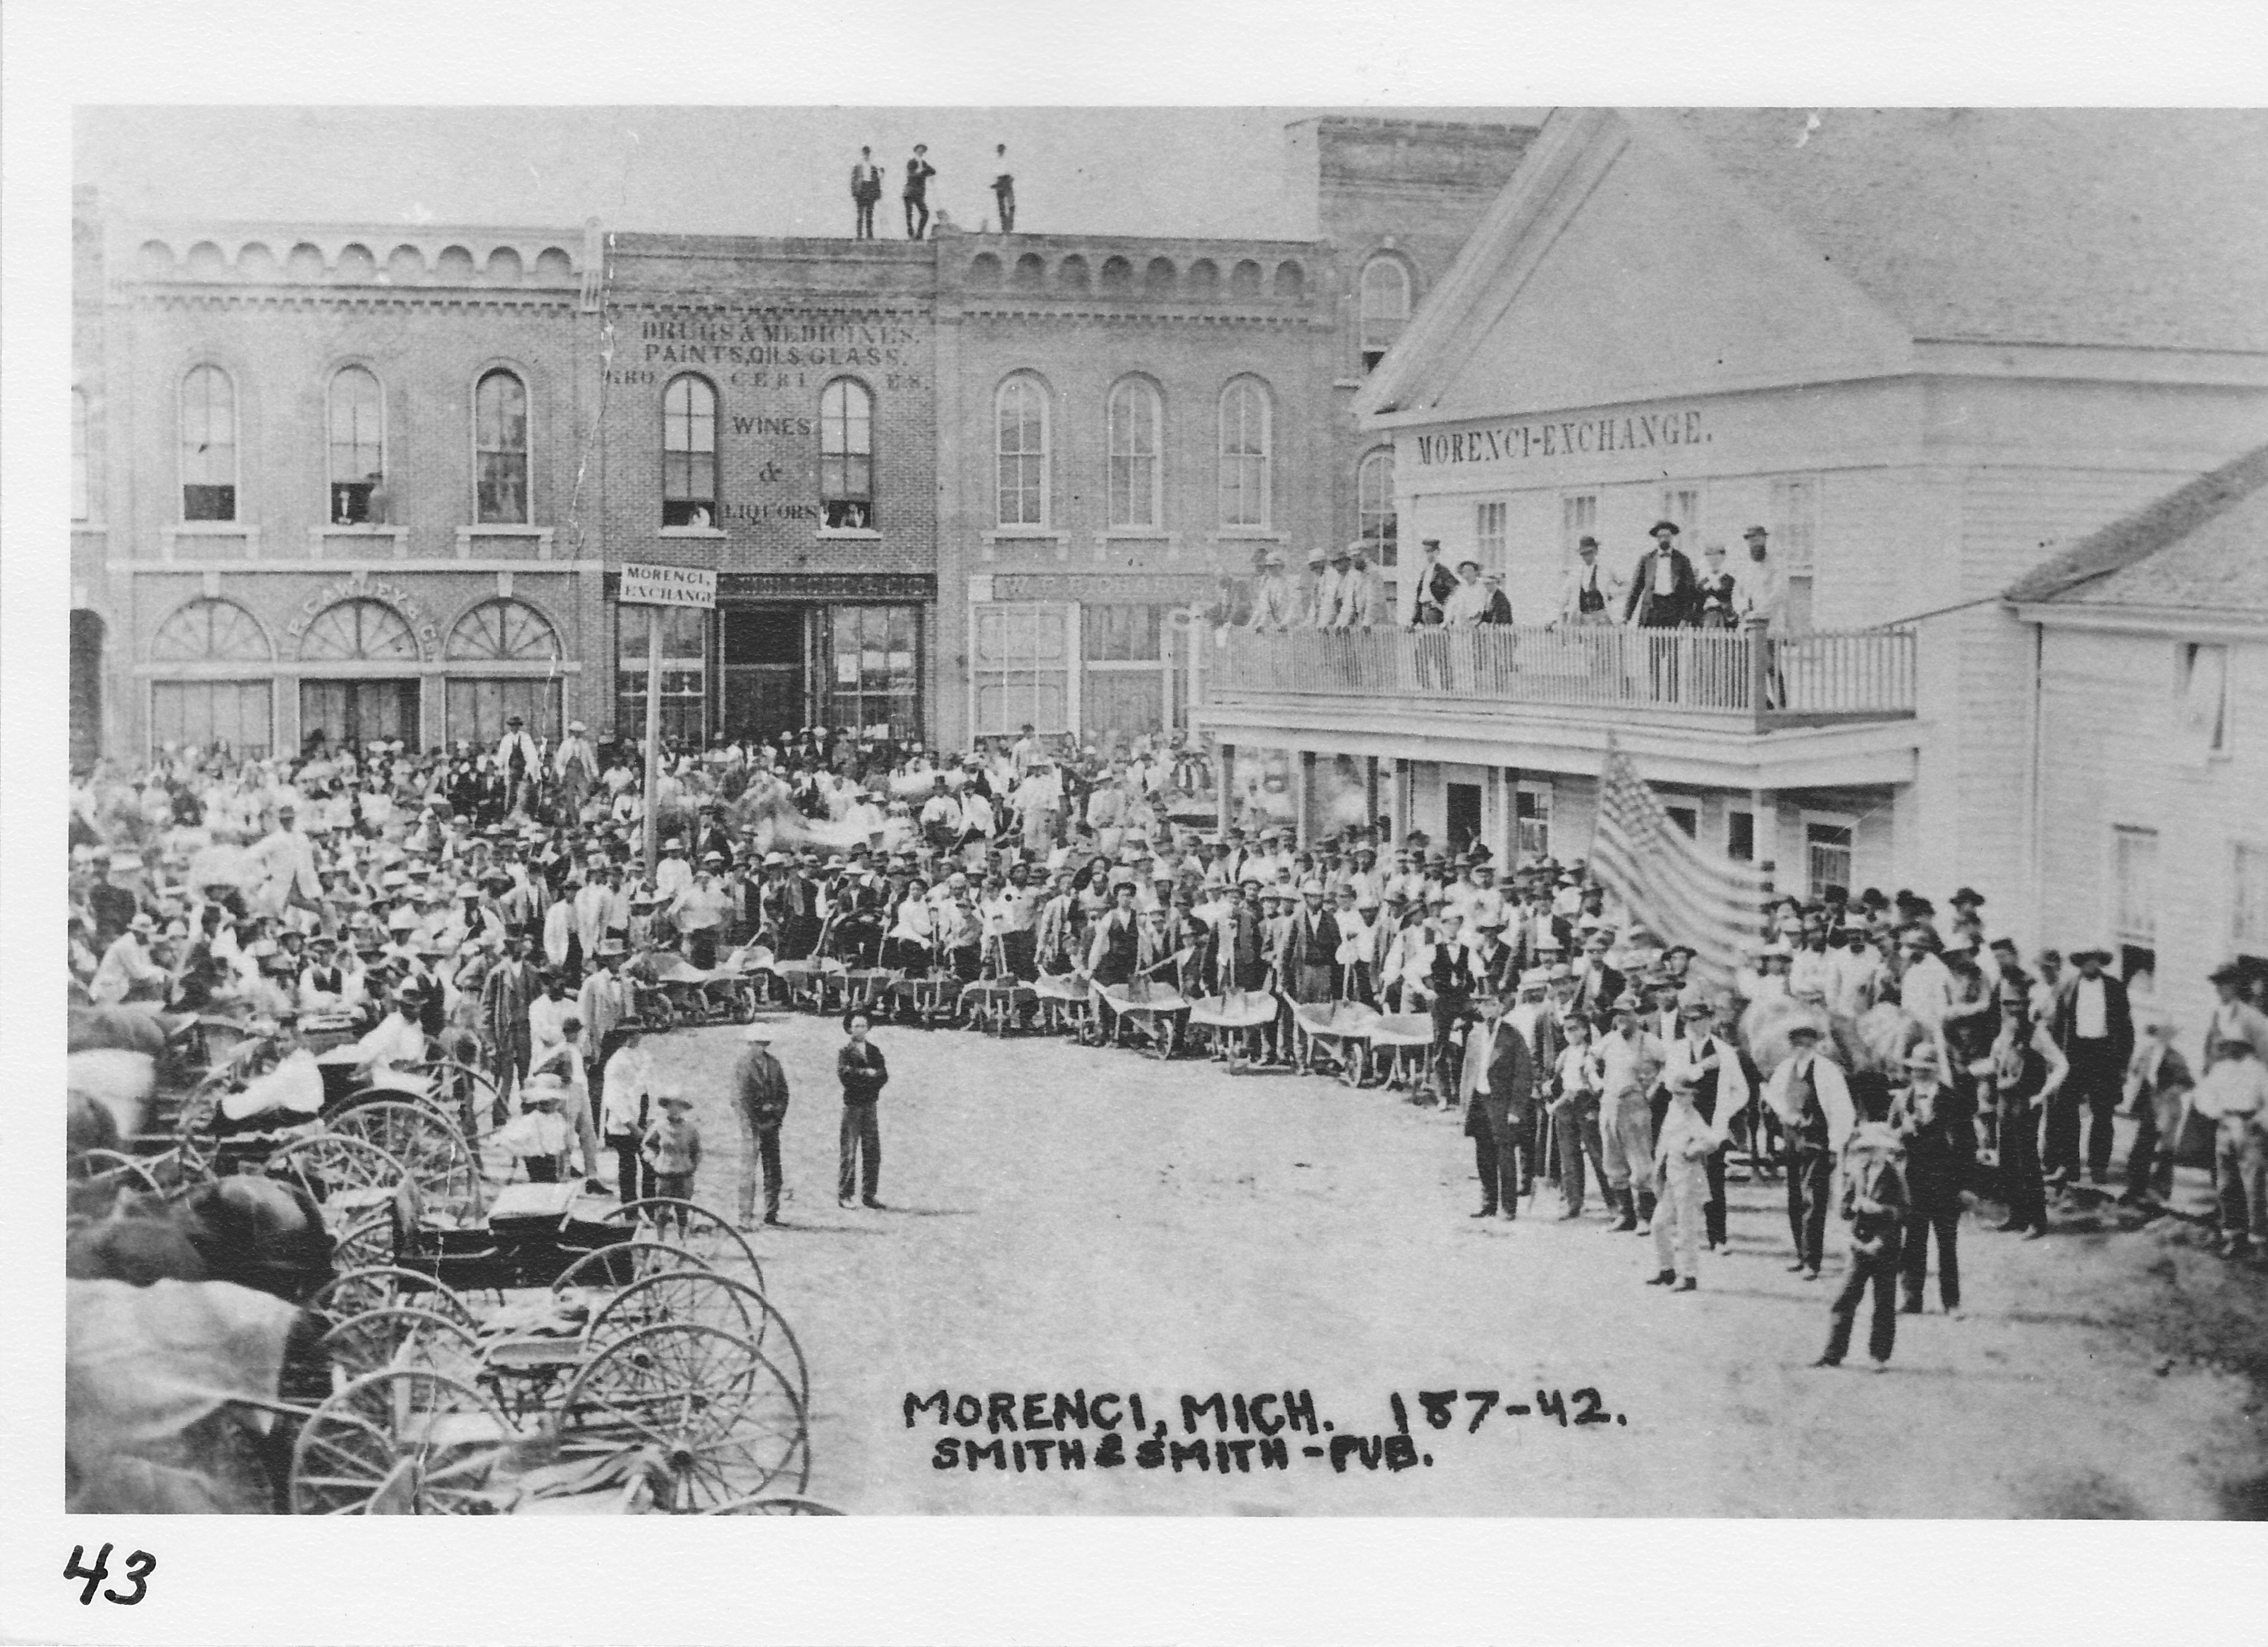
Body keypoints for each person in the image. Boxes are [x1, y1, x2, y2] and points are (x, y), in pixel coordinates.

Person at [1815, 1077, 1910, 1371]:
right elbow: (1844, 1210)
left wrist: (1878, 1208)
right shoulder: (1857, 1174)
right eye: (1867, 1149)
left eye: (1876, 1149)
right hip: (1859, 1244)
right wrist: (1851, 1206)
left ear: (1887, 1152)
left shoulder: (1895, 1178)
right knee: (1845, 1299)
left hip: (1885, 1247)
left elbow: (1903, 1213)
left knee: (1883, 1304)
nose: (1871, 1154)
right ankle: (1833, 1353)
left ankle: (1878, 1356)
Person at [1764, 1019, 1855, 1279]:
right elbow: (1776, 1099)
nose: (1801, 1049)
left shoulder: (1827, 1072)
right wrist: (1784, 1120)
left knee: (1813, 1201)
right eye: (1796, 1044)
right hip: (1793, 1141)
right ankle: (1801, 1254)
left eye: (1806, 1044)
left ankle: (1813, 1262)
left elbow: (1842, 1111)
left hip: (1817, 1142)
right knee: (1794, 1198)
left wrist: (1836, 1146)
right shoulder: (1785, 1069)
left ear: (1815, 1045)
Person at [1890, 1044, 1968, 1317]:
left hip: (1945, 1183)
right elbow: (1888, 1142)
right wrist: (1902, 1131)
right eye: (1916, 1071)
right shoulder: (1902, 1100)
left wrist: (1961, 1185)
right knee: (1913, 1243)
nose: (1920, 1075)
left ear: (1936, 1072)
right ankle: (1912, 1299)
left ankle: (1952, 1302)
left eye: (1926, 1071)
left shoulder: (1953, 1100)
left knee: (1947, 1245)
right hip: (1914, 1184)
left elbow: (1965, 1146)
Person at [2049, 946, 2134, 1186]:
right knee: (2066, 1111)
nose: (2091, 966)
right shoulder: (2068, 988)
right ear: (2079, 964)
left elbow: (2127, 1030)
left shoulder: (2114, 988)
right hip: (2074, 1055)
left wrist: (2123, 1064)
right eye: (2086, 961)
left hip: (2104, 1054)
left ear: (2100, 963)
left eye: (2094, 961)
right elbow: (2057, 1028)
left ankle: (2098, 1167)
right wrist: (2056, 1061)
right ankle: (2071, 1166)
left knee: (2103, 1113)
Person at [1459, 989, 1534, 1222]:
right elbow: (1467, 1071)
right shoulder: (1474, 1035)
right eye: (1482, 1005)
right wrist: (1465, 1104)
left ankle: (1508, 1207)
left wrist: (1516, 1109)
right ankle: (1488, 1203)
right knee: (1484, 1155)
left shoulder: (1512, 1035)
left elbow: (1523, 1075)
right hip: (1479, 1102)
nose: (1487, 1009)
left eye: (1492, 1004)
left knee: (1505, 1154)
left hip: (1501, 1104)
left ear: (1501, 1007)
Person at [1594, 993, 1665, 1234]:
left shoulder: (1649, 1041)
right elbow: (1590, 1060)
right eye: (1618, 1014)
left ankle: (1646, 1216)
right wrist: (1596, 1082)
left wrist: (1653, 1088)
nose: (1622, 1019)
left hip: (1635, 1105)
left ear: (1637, 1015)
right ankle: (1626, 1215)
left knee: (1641, 1162)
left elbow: (1668, 1064)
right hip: (1610, 1104)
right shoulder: (1610, 1040)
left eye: (1627, 1014)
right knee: (1613, 1162)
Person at [1646, 1069, 1720, 1292]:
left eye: (1685, 1094)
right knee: (1659, 1223)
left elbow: (1712, 1141)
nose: (1680, 1098)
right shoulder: (1672, 1110)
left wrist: (1693, 1150)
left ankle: (1689, 1275)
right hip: (1670, 1176)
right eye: (1677, 1094)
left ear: (1693, 1096)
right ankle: (1667, 1269)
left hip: (1689, 1177)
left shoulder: (1693, 1116)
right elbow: (1663, 1141)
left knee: (1687, 1229)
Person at [2193, 1038, 2268, 1258]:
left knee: (2253, 1185)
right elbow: (2203, 1094)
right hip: (2225, 1125)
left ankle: (2259, 1240)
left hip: (2250, 1127)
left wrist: (2258, 1121)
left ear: (2245, 1047)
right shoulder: (2220, 1069)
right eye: (2225, 1045)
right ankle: (2235, 1236)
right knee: (2227, 1183)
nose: (2227, 1049)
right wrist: (2217, 1113)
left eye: (2233, 1045)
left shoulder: (2258, 1071)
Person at [2121, 1006, 2194, 1207]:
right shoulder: (2148, 1052)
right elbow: (2136, 1070)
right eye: (2158, 1032)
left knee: (2165, 1150)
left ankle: (2160, 1191)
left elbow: (2187, 1082)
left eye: (2165, 1033)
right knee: (2141, 1146)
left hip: (2168, 1108)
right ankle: (2135, 1188)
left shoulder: (2174, 1057)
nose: (2161, 1036)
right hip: (2148, 1105)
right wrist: (2135, 1073)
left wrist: (2170, 1093)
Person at [734, 1022, 791, 1230]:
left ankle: (771, 1213)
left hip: (772, 1125)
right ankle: (745, 1216)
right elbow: (740, 1098)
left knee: (773, 1170)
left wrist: (776, 1115)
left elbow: (784, 1094)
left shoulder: (774, 1064)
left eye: (763, 1043)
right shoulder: (743, 1065)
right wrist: (752, 1122)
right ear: (749, 1043)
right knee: (749, 1171)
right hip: (752, 1125)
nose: (759, 1047)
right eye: (755, 1043)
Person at [837, 1009, 889, 1209]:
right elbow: (846, 1076)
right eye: (856, 1026)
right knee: (849, 1151)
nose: (860, 1029)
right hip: (852, 1106)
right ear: (849, 1029)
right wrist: (868, 1074)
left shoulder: (874, 1051)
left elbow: (883, 1075)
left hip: (870, 1104)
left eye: (863, 1026)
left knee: (872, 1150)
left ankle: (869, 1194)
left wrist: (870, 1079)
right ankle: (845, 1194)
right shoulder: (845, 1052)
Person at [641, 1090, 703, 1236]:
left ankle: (682, 1242)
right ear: (667, 1107)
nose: (675, 1109)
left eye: (679, 1106)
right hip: (665, 1174)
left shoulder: (691, 1129)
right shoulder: (659, 1126)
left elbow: (697, 1150)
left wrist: (692, 1166)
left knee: (683, 1210)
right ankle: (660, 1241)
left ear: (683, 1109)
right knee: (662, 1210)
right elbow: (648, 1145)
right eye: (672, 1105)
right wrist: (652, 1158)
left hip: (684, 1174)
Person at [499, 1074, 574, 1184]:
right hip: (537, 1157)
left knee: (552, 1180)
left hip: (552, 1156)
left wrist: (565, 1149)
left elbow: (562, 1139)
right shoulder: (534, 1119)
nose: (555, 1105)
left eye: (556, 1102)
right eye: (544, 1103)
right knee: (541, 1180)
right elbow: (518, 1138)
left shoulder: (557, 1118)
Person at [1557, 536, 1620, 626]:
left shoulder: (1606, 570)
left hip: (1602, 617)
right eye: (1584, 554)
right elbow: (1564, 596)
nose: (1587, 557)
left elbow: (1623, 586)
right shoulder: (1575, 573)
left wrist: (1612, 595)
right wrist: (1556, 617)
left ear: (1596, 551)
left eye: (1589, 553)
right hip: (1583, 618)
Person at [850, 145, 884, 239]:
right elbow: (853, 181)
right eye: (864, 154)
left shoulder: (873, 168)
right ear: (862, 154)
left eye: (868, 154)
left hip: (870, 190)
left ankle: (870, 235)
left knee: (870, 215)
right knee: (860, 215)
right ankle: (859, 235)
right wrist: (854, 192)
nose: (866, 156)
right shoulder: (858, 167)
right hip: (861, 191)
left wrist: (877, 193)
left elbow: (877, 181)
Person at [903, 144, 936, 240]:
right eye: (919, 150)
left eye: (923, 151)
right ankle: (911, 233)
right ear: (916, 151)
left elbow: (933, 171)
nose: (921, 152)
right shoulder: (912, 162)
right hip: (910, 191)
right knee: (909, 214)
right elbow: (911, 173)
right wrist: (922, 173)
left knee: (925, 213)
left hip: (919, 192)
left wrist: (923, 172)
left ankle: (919, 234)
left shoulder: (924, 163)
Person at [991, 143, 1015, 232]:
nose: (1000, 151)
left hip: (1007, 181)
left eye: (1002, 150)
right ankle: (1004, 227)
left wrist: (1008, 182)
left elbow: (1012, 175)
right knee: (1002, 207)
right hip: (1000, 182)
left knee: (1011, 205)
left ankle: (1009, 226)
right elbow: (995, 174)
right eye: (999, 150)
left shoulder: (1008, 160)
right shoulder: (996, 161)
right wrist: (996, 184)